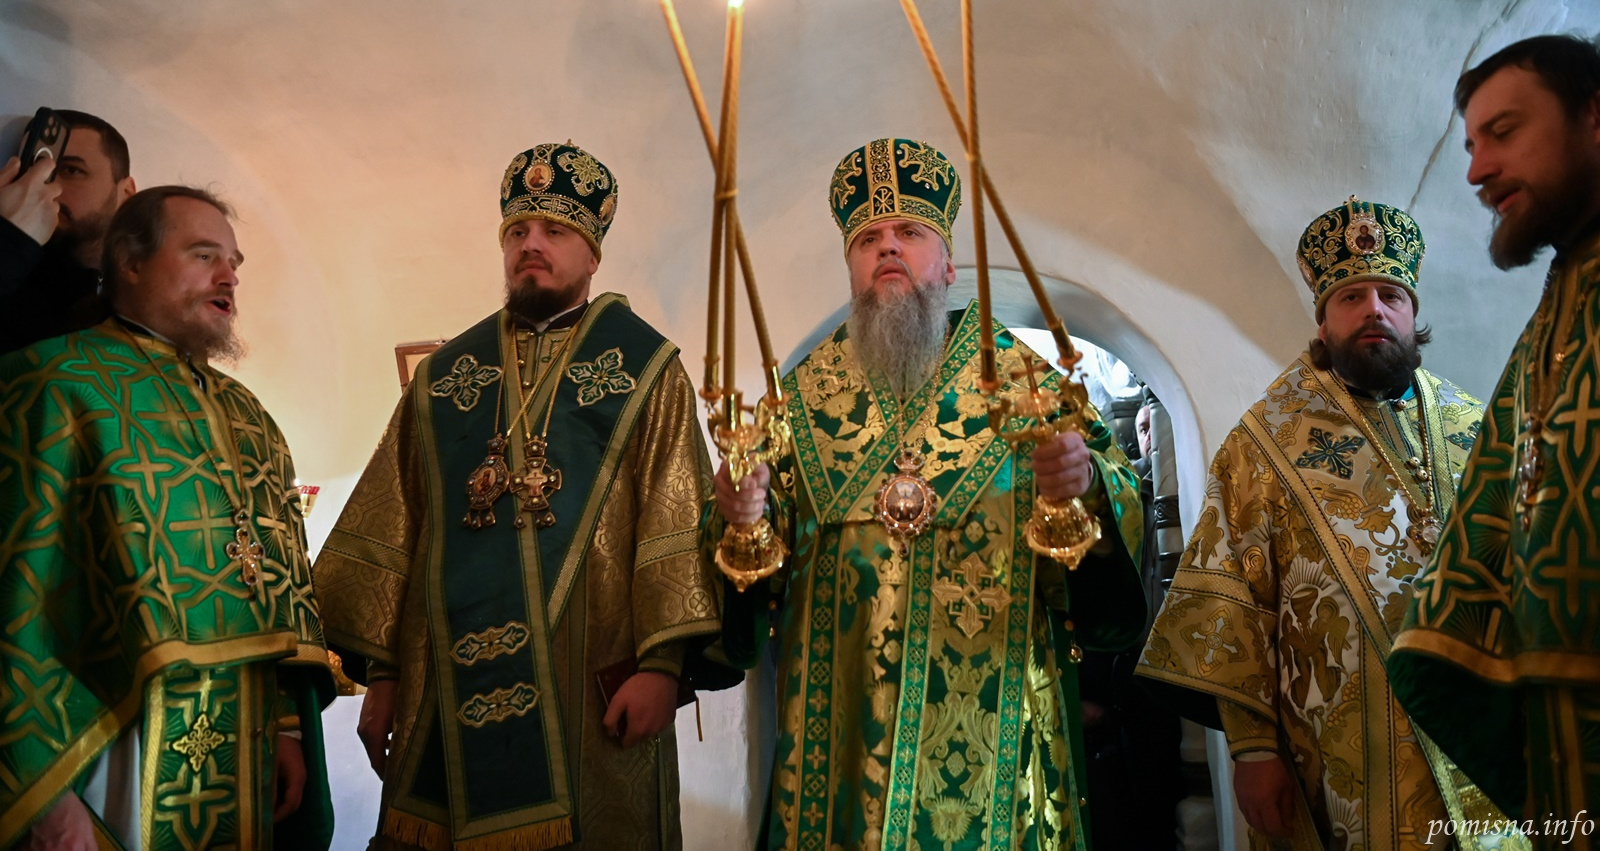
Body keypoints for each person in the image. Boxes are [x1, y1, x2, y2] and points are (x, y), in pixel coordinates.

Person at [707, 137, 1146, 849]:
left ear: (947, 264)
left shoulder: (1025, 382)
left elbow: (1113, 503)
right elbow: (753, 560)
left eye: (909, 232)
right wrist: (741, 517)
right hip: (837, 739)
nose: (887, 247)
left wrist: (1087, 483)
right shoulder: (799, 401)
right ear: (852, 266)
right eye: (868, 239)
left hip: (1001, 734)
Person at [314, 144, 728, 850]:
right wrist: (383, 677)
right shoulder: (444, 379)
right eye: (517, 231)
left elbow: (674, 518)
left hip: (591, 691)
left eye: (554, 230)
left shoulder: (647, 370)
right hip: (441, 691)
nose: (530, 244)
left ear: (592, 254)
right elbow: (399, 525)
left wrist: (662, 667)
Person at [1139, 197, 1517, 850]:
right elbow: (1232, 601)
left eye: (1389, 295)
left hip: (1482, 731)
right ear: (1323, 318)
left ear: (1411, 313)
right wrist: (1254, 749)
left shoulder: (1473, 424)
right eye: (1351, 297)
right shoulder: (1265, 442)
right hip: (1342, 752)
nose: (1374, 309)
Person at [0, 185, 334, 850]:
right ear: (129, 261)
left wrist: (288, 726)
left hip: (246, 739)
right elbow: (15, 601)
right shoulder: (54, 383)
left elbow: (278, 589)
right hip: (106, 749)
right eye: (204, 255)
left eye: (233, 262)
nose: (227, 276)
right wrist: (40, 797)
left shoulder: (248, 415)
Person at [1390, 34, 1600, 845]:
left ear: (1593, 116)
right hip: (1565, 737)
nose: (1477, 169)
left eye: (1503, 132)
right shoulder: (1560, 300)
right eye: (1471, 146)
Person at [0, 107, 137, 354]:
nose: (46, 186)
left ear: (125, 194)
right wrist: (9, 238)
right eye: (33, 167)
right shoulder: (10, 266)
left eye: (71, 170)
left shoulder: (138, 295)